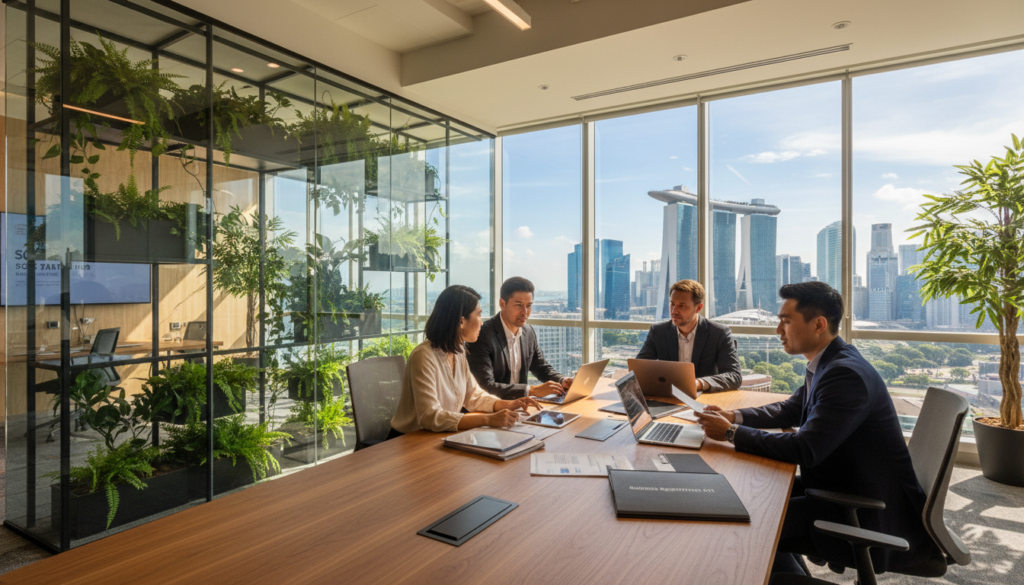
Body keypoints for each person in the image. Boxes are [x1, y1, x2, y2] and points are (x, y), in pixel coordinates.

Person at [694, 282, 935, 576]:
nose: (778, 331)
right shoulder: (830, 363)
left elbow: (804, 449)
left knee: (748, 525)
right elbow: (790, 408)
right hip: (840, 486)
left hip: (866, 512)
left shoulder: (845, 375)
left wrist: (730, 434)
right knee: (752, 496)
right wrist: (734, 416)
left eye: (785, 321)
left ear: (819, 324)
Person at [390, 285, 540, 435]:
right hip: (411, 439)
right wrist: (488, 419)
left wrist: (507, 404)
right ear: (461, 322)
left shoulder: (458, 351)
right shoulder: (423, 356)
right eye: (479, 315)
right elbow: (430, 415)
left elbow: (473, 395)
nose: (481, 322)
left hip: (439, 435)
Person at [466, 277, 573, 400]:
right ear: (502, 304)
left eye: (529, 305)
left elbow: (540, 367)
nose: (525, 312)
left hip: (521, 406)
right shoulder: (482, 335)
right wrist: (532, 390)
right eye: (519, 305)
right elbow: (485, 386)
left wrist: (561, 380)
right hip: (493, 409)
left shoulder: (528, 332)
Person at [635, 279, 741, 392]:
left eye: (682, 306)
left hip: (705, 400)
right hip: (668, 398)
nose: (674, 311)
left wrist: (699, 383)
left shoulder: (719, 333)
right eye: (672, 304)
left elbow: (734, 376)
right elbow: (638, 369)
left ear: (699, 308)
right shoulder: (658, 331)